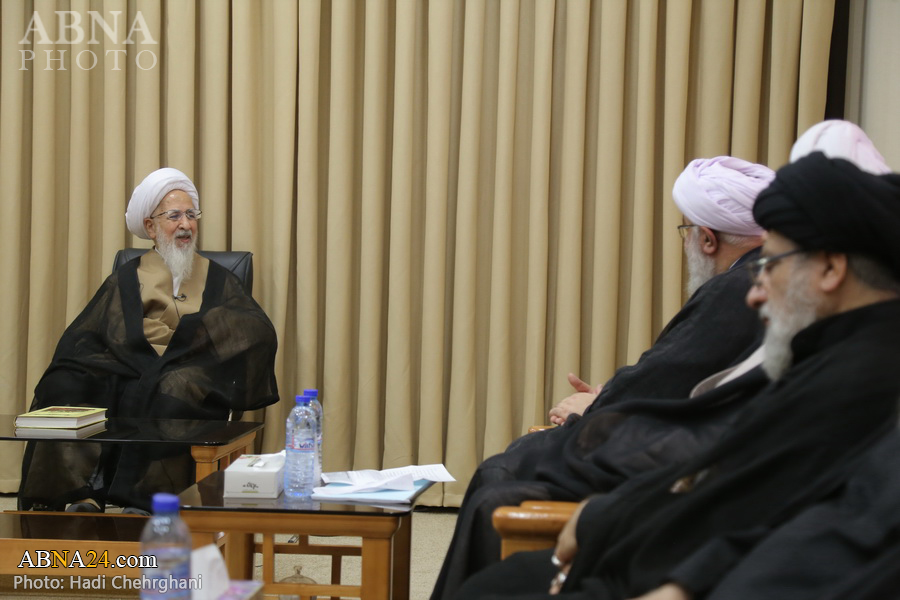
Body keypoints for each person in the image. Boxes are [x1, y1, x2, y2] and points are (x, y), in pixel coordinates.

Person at [453, 152, 900, 600]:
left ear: (831, 268)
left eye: (771, 265)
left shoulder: (859, 378)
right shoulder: (837, 353)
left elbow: (759, 514)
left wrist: (675, 580)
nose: (753, 293)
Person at [432, 157, 774, 600]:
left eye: (686, 232)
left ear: (707, 239)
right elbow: (674, 374)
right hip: (682, 445)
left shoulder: (737, 286)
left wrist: (597, 405)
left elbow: (661, 380)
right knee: (505, 477)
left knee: (501, 472)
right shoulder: (755, 278)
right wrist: (606, 398)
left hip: (680, 463)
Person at [18, 168, 279, 513]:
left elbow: (255, 329)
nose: (185, 224)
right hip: (126, 363)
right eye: (174, 216)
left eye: (191, 215)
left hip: (189, 370)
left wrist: (195, 334)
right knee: (64, 384)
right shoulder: (129, 274)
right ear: (151, 227)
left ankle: (146, 500)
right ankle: (78, 495)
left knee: (172, 387)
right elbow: (93, 331)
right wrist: (133, 352)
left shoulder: (218, 278)